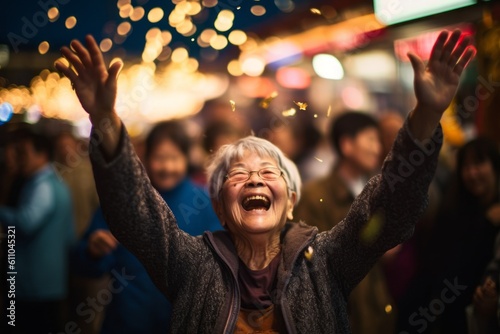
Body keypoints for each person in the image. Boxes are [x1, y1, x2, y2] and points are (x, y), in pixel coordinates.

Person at [55, 29, 475, 333]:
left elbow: (390, 208)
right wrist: (105, 120)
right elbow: (136, 214)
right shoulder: (191, 264)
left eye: (267, 172)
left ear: (291, 200)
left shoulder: (326, 261)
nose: (254, 179)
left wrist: (425, 117)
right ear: (218, 204)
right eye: (238, 175)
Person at [72, 120, 222, 333]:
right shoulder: (125, 200)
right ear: (146, 158)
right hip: (126, 321)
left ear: (186, 159)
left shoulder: (204, 202)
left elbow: (221, 263)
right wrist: (92, 251)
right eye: (160, 158)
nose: (167, 167)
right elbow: (82, 265)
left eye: (174, 158)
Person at [294, 112, 396, 334]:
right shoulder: (315, 195)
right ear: (347, 145)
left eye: (378, 141)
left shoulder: (378, 191)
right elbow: (309, 258)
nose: (377, 148)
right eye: (370, 139)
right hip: (337, 310)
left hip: (375, 306)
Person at [420, 137, 500, 333]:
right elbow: (451, 270)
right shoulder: (453, 211)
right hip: (456, 318)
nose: (472, 173)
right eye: (466, 166)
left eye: (479, 163)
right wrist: (486, 226)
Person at [0, 127, 75, 333]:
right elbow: (69, 234)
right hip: (47, 282)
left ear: (41, 155)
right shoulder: (53, 183)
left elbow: (26, 222)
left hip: (35, 283)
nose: (20, 159)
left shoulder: (42, 186)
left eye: (24, 153)